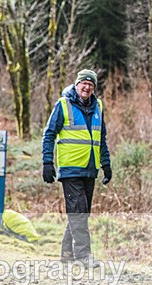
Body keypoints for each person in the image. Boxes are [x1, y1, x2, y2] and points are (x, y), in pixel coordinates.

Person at [42, 69, 111, 265]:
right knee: (79, 211)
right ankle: (83, 256)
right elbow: (49, 135)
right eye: (84, 83)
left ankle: (67, 254)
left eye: (91, 84)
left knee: (80, 212)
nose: (87, 87)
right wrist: (47, 162)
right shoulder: (63, 105)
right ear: (76, 84)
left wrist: (106, 165)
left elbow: (101, 138)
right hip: (70, 169)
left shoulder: (98, 106)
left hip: (90, 169)